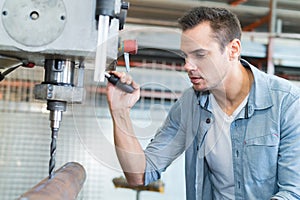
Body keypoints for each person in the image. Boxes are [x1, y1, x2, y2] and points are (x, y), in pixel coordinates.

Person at [106, 6, 300, 200]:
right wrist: (120, 112)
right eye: (186, 56)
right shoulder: (190, 105)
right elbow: (138, 175)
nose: (188, 66)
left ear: (233, 50)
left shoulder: (287, 103)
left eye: (200, 55)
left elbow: (293, 192)